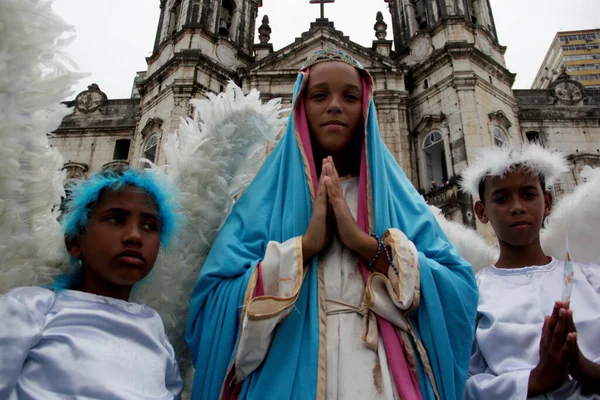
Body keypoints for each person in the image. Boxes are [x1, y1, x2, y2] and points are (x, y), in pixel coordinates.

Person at [186, 48, 478, 400]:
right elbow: (211, 302)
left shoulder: (398, 198)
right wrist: (304, 248)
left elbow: (459, 290)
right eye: (320, 95)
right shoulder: (261, 201)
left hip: (381, 372)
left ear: (366, 107)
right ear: (300, 107)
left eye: (350, 97)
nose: (335, 106)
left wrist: (364, 244)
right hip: (285, 369)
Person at [0, 169, 184, 399]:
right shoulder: (31, 307)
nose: (135, 236)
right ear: (75, 242)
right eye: (116, 219)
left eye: (149, 225)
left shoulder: (156, 330)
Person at [461, 144, 600, 399]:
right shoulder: (472, 293)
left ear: (547, 202)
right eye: (501, 198)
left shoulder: (592, 279)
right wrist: (535, 379)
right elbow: (460, 383)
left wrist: (584, 367)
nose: (517, 207)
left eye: (528, 195)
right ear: (482, 212)